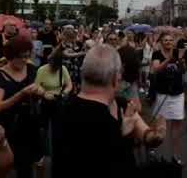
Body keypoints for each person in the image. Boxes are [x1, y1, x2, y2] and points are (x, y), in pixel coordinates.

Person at [52, 44, 164, 178]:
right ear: (116, 78)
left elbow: (145, 133)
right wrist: (122, 135)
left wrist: (154, 136)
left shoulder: (121, 105)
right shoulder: (83, 116)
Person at [0, 34, 45, 178]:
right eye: (20, 57)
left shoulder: (31, 70)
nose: (24, 60)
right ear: (10, 56)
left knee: (26, 168)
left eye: (26, 56)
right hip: (9, 128)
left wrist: (40, 93)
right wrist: (20, 94)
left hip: (29, 126)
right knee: (5, 167)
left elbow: (40, 91)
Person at [151, 33, 185, 165]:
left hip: (177, 94)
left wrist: (180, 60)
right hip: (163, 94)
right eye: (165, 40)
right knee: (160, 127)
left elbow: (183, 71)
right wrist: (168, 60)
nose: (168, 42)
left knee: (176, 128)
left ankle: (176, 156)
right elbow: (156, 69)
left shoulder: (178, 53)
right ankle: (154, 149)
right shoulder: (157, 54)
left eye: (171, 40)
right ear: (161, 42)